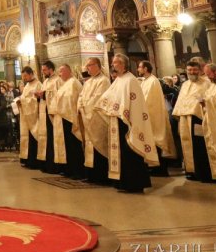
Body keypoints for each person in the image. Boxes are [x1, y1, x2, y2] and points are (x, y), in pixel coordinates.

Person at [99, 53, 158, 192]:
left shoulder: (130, 80)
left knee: (130, 153)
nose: (113, 65)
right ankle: (123, 182)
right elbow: (110, 97)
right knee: (121, 154)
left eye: (115, 63)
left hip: (129, 122)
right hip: (117, 121)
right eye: (113, 62)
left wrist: (121, 113)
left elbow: (132, 103)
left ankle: (135, 184)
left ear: (123, 64)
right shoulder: (119, 80)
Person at [173, 58, 215, 183]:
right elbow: (181, 100)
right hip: (184, 118)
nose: (192, 72)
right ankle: (191, 171)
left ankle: (203, 173)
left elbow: (208, 99)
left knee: (200, 146)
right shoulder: (185, 84)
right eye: (189, 70)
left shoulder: (206, 83)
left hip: (198, 118)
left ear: (199, 70)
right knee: (186, 145)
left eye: (194, 70)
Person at [74, 58, 111, 183]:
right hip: (87, 117)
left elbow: (98, 98)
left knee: (98, 146)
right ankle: (91, 175)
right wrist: (80, 106)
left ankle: (101, 176)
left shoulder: (104, 81)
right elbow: (81, 96)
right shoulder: (88, 82)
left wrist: (85, 106)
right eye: (87, 66)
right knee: (89, 147)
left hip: (98, 119)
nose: (87, 68)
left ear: (97, 66)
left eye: (89, 65)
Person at [136, 60, 175, 176]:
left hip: (153, 115)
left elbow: (149, 100)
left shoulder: (153, 81)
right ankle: (153, 166)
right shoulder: (145, 81)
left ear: (145, 69)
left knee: (156, 140)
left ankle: (160, 169)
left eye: (139, 67)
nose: (138, 69)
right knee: (150, 141)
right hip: (146, 116)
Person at [50, 65, 83, 179]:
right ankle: (69, 169)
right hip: (63, 117)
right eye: (59, 72)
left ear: (69, 71)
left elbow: (74, 99)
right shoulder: (65, 84)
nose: (60, 74)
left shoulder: (74, 83)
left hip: (71, 118)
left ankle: (77, 171)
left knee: (74, 146)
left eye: (62, 71)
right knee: (67, 146)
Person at [16, 67, 44, 167]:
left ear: (31, 74)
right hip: (26, 116)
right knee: (25, 137)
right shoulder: (27, 85)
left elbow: (36, 101)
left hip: (34, 117)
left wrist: (23, 101)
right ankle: (26, 160)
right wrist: (20, 100)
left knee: (33, 139)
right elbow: (25, 97)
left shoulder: (38, 84)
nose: (24, 78)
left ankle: (34, 162)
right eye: (23, 76)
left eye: (25, 76)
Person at [36, 60, 59, 170]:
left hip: (53, 113)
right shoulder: (45, 82)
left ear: (51, 69)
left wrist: (43, 94)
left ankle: (54, 165)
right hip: (44, 112)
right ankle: (47, 163)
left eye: (44, 70)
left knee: (53, 138)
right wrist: (39, 95)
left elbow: (58, 95)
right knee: (46, 138)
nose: (43, 72)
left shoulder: (57, 80)